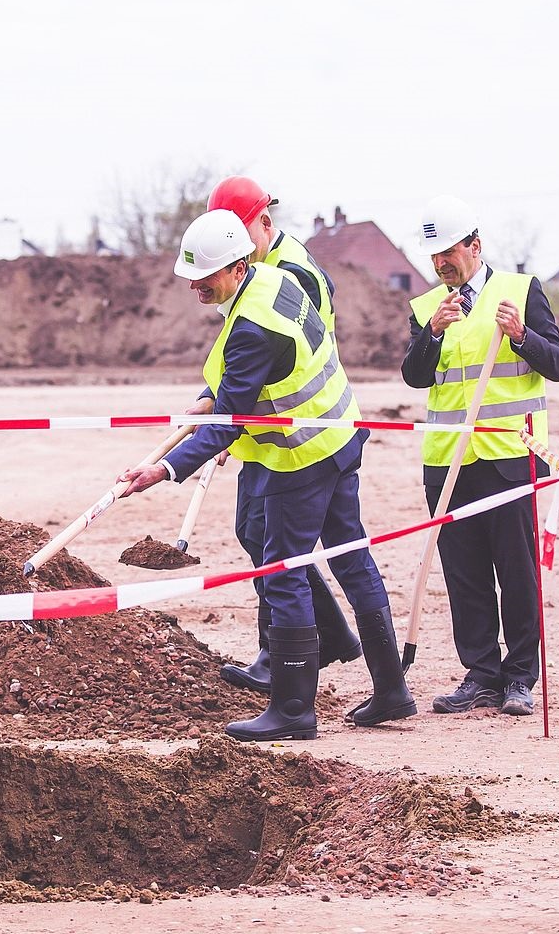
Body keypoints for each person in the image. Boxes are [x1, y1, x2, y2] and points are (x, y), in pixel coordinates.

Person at [120, 210, 415, 741]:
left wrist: (163, 468)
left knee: (282, 572)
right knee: (351, 558)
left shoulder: (252, 329)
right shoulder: (273, 279)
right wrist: (210, 396)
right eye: (189, 275)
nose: (193, 285)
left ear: (235, 268)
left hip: (300, 459)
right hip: (340, 437)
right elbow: (240, 381)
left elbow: (233, 419)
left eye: (203, 276)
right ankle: (392, 691)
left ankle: (294, 712)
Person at [402, 195, 559, 717]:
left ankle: (520, 677)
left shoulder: (521, 291)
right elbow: (414, 376)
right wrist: (432, 333)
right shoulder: (429, 308)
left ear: (475, 246)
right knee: (465, 573)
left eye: (448, 253)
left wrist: (521, 336)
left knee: (517, 571)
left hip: (511, 456)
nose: (440, 265)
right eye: (433, 258)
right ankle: (481, 674)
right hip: (448, 460)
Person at [205, 176, 363, 693]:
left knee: (275, 546)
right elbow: (235, 355)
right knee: (258, 536)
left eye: (238, 231)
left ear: (264, 223)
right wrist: (218, 405)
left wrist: (227, 420)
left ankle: (291, 655)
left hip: (301, 435)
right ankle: (304, 642)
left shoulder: (290, 272)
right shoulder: (255, 269)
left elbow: (278, 357)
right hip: (267, 429)